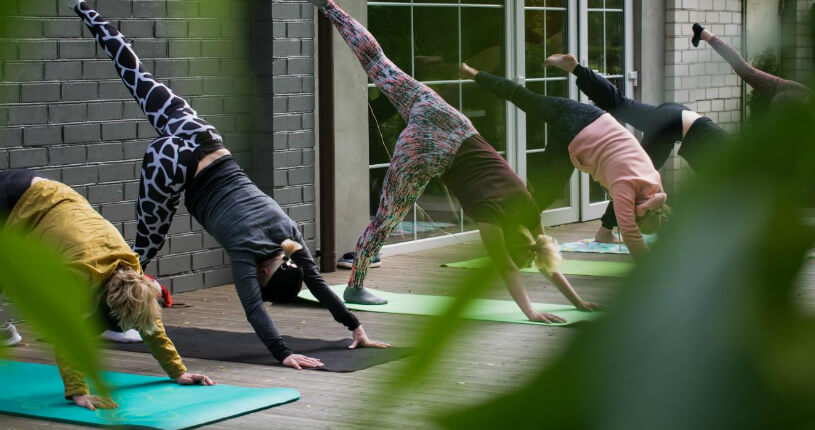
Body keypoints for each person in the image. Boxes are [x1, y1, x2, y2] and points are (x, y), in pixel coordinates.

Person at [70, 0, 388, 370]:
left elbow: (316, 283)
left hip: (204, 138)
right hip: (175, 166)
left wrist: (356, 326)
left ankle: (87, 11)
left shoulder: (289, 233)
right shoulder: (244, 252)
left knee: (137, 75)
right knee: (141, 251)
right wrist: (283, 353)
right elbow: (254, 309)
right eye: (261, 281)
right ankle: (104, 319)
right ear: (266, 273)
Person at [313, 0, 602, 320]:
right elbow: (509, 267)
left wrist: (578, 302)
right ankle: (355, 285)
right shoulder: (491, 220)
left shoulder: (529, 210)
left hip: (447, 119)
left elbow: (542, 256)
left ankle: (328, 6)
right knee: (385, 220)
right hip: (428, 152)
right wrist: (532, 312)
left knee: (378, 63)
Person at [1, 169, 214, 410]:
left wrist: (178, 371)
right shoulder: (79, 275)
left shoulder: (131, 272)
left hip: (47, 192)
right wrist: (78, 392)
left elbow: (152, 327)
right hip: (13, 201)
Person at [459, 63, 671, 259]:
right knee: (545, 192)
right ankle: (511, 236)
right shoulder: (625, 187)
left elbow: (659, 217)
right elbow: (630, 234)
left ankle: (473, 73)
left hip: (589, 114)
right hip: (575, 135)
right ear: (640, 217)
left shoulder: (654, 180)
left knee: (524, 97)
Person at [543, 53, 729, 243]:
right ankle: (605, 231)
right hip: (670, 126)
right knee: (632, 176)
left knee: (620, 105)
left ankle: (576, 68)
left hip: (676, 115)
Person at [691, 23, 811, 105]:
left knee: (744, 69)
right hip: (781, 90)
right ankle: (703, 33)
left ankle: (703, 33)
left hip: (785, 90)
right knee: (744, 69)